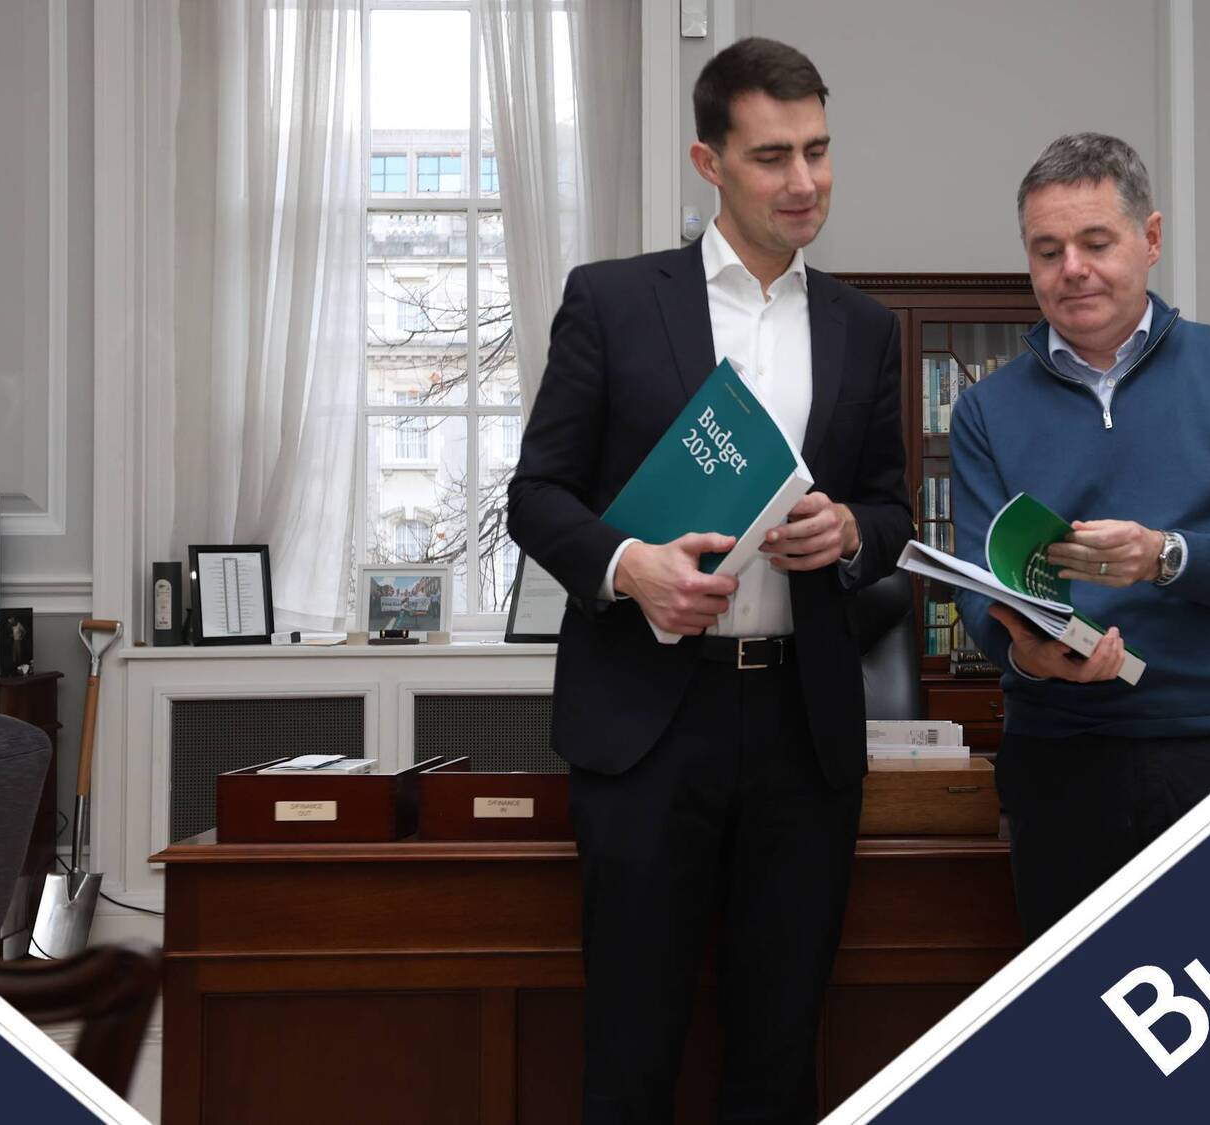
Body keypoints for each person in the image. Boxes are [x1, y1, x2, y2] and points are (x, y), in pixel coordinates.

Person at [506, 37, 911, 1124]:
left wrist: (849, 531)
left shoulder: (866, 329)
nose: (805, 180)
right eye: (772, 156)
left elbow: (892, 511)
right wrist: (627, 567)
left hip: (802, 730)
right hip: (649, 726)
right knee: (632, 1051)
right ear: (708, 162)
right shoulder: (612, 301)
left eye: (818, 150)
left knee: (779, 1055)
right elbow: (535, 495)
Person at [949, 132, 1210, 941]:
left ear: (1150, 239)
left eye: (1096, 242)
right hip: (1059, 761)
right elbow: (981, 591)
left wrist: (1166, 556)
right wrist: (1029, 654)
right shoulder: (984, 408)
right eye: (1047, 250)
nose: (1072, 269)